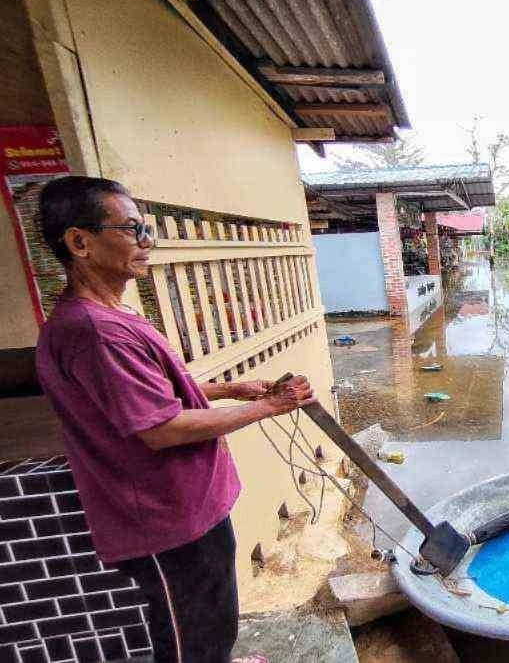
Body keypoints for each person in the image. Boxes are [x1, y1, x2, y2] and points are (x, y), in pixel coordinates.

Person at [34, 176, 315, 662]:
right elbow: (159, 429)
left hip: (192, 507)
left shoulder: (114, 316)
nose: (148, 242)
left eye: (147, 229)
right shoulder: (95, 333)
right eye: (133, 229)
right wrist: (269, 406)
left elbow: (149, 398)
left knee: (216, 616)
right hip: (165, 518)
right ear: (80, 241)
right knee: (191, 637)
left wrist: (230, 389)